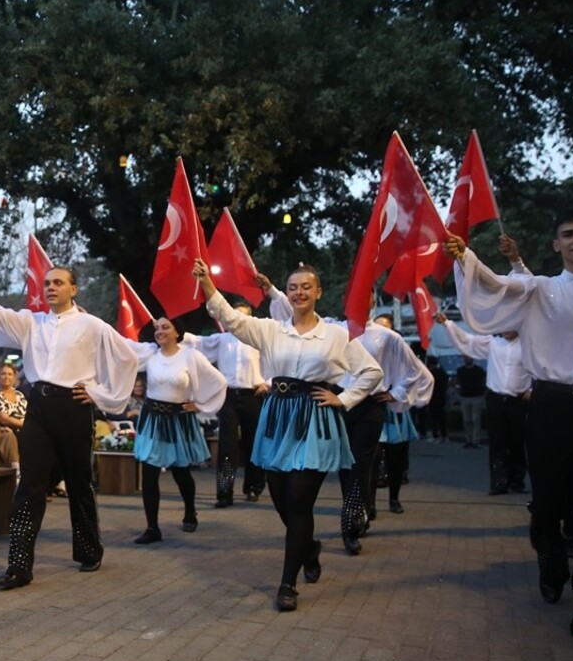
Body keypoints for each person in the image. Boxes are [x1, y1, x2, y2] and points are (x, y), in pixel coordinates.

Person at [445, 209, 573, 647]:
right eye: (568, 235)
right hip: (550, 407)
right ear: (556, 245)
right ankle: (551, 560)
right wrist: (467, 259)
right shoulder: (538, 290)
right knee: (548, 505)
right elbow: (495, 289)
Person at [193, 259, 381, 611]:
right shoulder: (271, 329)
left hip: (313, 421)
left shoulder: (337, 335)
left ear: (318, 292)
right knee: (280, 498)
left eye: (306, 286)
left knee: (299, 500)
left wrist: (342, 398)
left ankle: (287, 584)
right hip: (277, 419)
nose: (298, 292)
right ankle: (308, 549)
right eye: (293, 287)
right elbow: (232, 320)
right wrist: (207, 284)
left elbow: (372, 372)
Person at [0, 266, 138, 589]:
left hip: (74, 406)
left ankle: (89, 549)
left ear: (74, 289)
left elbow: (127, 358)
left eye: (58, 282)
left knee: (79, 482)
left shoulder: (92, 325)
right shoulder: (32, 322)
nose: (50, 288)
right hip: (39, 408)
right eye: (47, 283)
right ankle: (19, 566)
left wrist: (99, 393)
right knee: (30, 485)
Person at [125, 317, 227, 544]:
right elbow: (120, 345)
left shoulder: (190, 356)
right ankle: (152, 528)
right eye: (157, 328)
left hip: (178, 420)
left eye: (165, 327)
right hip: (152, 418)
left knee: (180, 471)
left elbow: (219, 381)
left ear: (177, 332)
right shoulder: (150, 353)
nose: (159, 331)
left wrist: (200, 405)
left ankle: (190, 511)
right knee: (149, 473)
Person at [185, 298, 270, 507]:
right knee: (227, 447)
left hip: (253, 395)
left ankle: (253, 487)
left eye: (243, 314)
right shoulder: (222, 339)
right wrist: (175, 333)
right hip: (229, 397)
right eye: (235, 314)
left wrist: (268, 383)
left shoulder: (258, 340)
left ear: (250, 317)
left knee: (254, 444)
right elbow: (196, 343)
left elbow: (274, 362)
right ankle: (224, 492)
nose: (239, 318)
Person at [437, 313, 530, 494]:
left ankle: (517, 481)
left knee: (517, 443)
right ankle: (498, 482)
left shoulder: (528, 346)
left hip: (518, 400)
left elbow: (539, 369)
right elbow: (467, 340)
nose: (507, 330)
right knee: (497, 443)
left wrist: (532, 390)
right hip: (496, 399)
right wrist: (447, 323)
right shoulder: (493, 343)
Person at [367, 314, 433, 518]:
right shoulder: (367, 350)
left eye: (386, 329)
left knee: (396, 460)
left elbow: (423, 376)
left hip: (394, 415)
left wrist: (399, 395)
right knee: (371, 461)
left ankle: (394, 498)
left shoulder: (400, 351)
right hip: (371, 411)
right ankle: (369, 504)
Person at [0, 362, 25, 467]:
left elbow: (27, 414)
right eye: (3, 374)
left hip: (23, 429)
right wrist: (26, 425)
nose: (7, 377)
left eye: (10, 374)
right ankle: (17, 472)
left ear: (15, 378)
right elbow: (4, 419)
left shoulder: (20, 395)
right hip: (3, 431)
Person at [455, 356, 487, 448]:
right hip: (465, 397)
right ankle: (468, 440)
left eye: (468, 358)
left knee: (475, 420)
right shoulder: (460, 370)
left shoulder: (479, 370)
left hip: (477, 396)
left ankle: (475, 441)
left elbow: (484, 381)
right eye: (465, 357)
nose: (466, 359)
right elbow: (457, 382)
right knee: (466, 420)